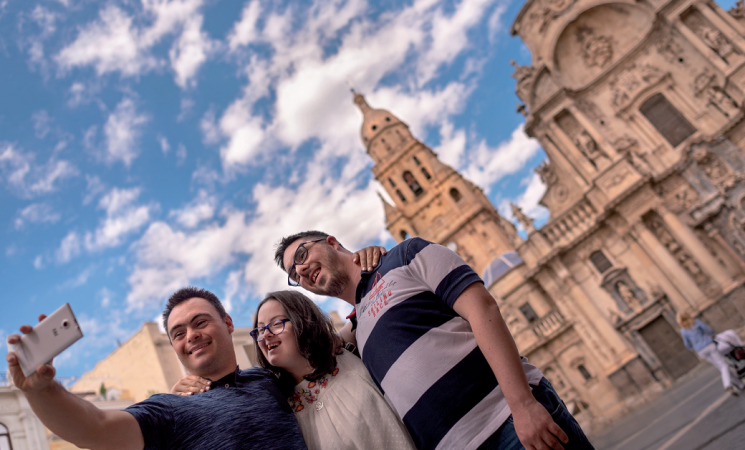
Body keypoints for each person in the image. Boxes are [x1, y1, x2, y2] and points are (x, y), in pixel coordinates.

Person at [275, 231, 594, 450]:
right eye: (294, 274)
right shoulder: (359, 329)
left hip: (510, 424)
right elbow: (326, 346)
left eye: (302, 254)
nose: (301, 269)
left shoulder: (405, 256)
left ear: (331, 242)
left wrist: (522, 404)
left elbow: (482, 308)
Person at [5, 287, 307, 450]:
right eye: (178, 333)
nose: (191, 335)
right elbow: (93, 428)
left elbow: (329, 353)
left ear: (228, 323)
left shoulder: (272, 377)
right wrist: (43, 390)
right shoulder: (170, 409)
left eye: (200, 322)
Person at [173, 290, 415, 450]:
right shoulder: (273, 398)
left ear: (303, 321)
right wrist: (178, 398)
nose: (265, 334)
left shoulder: (347, 351)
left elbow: (373, 303)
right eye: (259, 330)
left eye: (276, 324)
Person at [678, 311, 745, 396]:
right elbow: (709, 330)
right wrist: (712, 335)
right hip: (709, 346)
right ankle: (727, 384)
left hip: (701, 351)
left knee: (721, 368)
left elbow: (687, 345)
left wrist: (695, 347)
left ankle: (740, 385)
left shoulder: (683, 331)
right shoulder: (696, 322)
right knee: (724, 365)